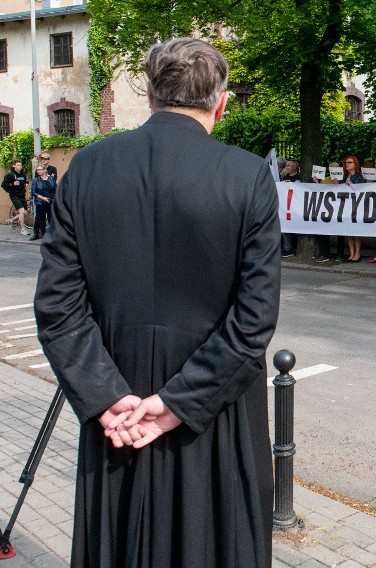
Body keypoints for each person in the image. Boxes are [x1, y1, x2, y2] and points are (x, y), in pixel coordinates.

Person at [33, 38, 280, 568]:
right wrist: (179, 403)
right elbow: (254, 318)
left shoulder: (88, 166)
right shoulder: (247, 175)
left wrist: (106, 396)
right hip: (213, 415)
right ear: (222, 102)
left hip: (119, 409)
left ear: (148, 92)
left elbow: (57, 306)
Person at [341, 155, 366, 262]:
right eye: (346, 163)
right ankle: (351, 253)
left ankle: (357, 253)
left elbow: (362, 190)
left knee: (355, 232)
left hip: (356, 206)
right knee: (349, 232)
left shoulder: (359, 177)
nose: (347, 164)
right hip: (346, 206)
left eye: (350, 162)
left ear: (355, 164)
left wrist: (352, 185)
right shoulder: (344, 177)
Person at [279, 158, 300, 258]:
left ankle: (289, 248)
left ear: (295, 167)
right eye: (286, 165)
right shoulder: (284, 178)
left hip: (293, 208)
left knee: (289, 228)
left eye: (288, 165)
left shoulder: (298, 178)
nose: (286, 167)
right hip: (284, 207)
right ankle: (284, 247)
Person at [2, 159, 30, 235]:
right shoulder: (10, 175)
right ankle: (23, 230)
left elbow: (25, 181)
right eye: (18, 165)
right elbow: (3, 185)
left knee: (24, 213)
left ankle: (11, 220)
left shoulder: (22, 174)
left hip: (22, 195)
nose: (20, 167)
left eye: (20, 165)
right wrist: (12, 184)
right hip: (14, 195)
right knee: (21, 211)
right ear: (14, 166)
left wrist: (26, 183)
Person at [30, 164, 56, 240]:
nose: (38, 171)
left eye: (39, 169)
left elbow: (55, 189)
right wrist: (42, 198)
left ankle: (52, 235)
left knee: (51, 218)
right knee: (41, 219)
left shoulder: (51, 179)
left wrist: (52, 198)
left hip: (50, 201)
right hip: (40, 202)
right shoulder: (36, 180)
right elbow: (33, 192)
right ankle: (43, 235)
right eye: (37, 170)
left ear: (44, 170)